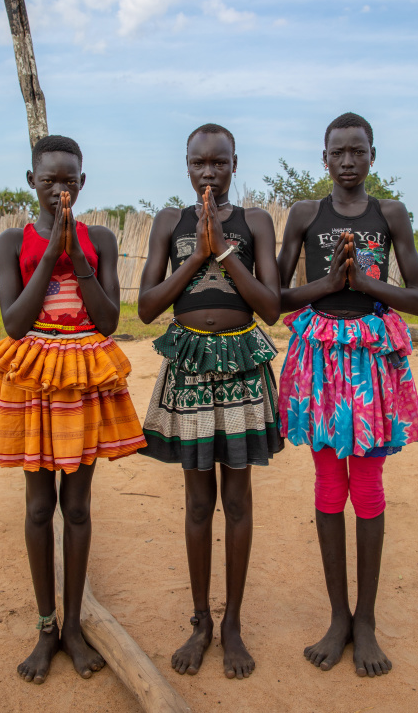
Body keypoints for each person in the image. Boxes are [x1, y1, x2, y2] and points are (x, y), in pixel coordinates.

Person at [0, 135, 146, 684]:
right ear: (32, 182)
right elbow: (14, 322)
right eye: (49, 179)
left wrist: (78, 256)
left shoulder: (100, 239)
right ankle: (46, 627)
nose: (59, 188)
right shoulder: (12, 241)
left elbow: (109, 319)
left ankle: (74, 626)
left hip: (84, 375)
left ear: (83, 182)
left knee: (76, 505)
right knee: (36, 507)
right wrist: (52, 254)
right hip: (33, 375)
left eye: (69, 179)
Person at [277, 112, 418, 678]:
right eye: (337, 152)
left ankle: (365, 620)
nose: (347, 160)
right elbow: (276, 296)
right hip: (318, 357)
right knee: (326, 482)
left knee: (366, 482)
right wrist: (330, 286)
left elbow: (417, 298)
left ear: (372, 155)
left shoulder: (389, 215)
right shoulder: (304, 214)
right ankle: (337, 617)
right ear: (323, 158)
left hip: (368, 361)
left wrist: (364, 284)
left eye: (357, 151)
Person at [138, 123, 283, 679]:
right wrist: (194, 257)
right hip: (190, 367)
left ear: (235, 164)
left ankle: (235, 625)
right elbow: (148, 307)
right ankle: (201, 622)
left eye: (219, 164)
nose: (208, 174)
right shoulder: (168, 223)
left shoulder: (255, 223)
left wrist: (222, 251)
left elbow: (270, 307)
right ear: (187, 165)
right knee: (199, 503)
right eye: (199, 164)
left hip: (243, 365)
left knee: (239, 499)